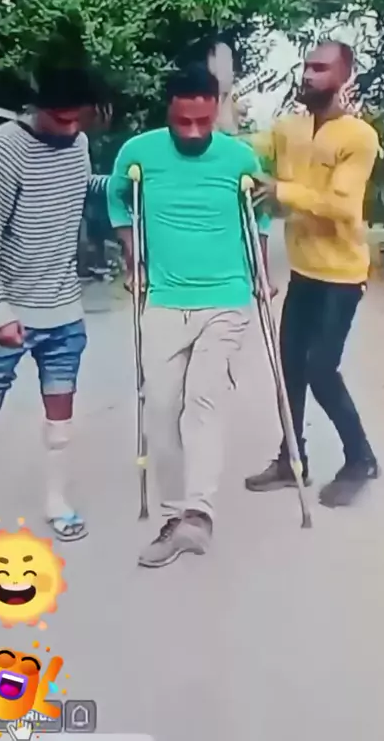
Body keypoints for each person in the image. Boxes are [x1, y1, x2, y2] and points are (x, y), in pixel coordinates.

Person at [107, 64, 271, 568]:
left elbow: (260, 214)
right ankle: (173, 516)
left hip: (226, 298)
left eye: (203, 121)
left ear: (216, 108)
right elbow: (117, 199)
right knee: (160, 406)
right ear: (169, 111)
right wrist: (132, 254)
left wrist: (261, 272)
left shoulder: (240, 157)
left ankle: (199, 513)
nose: (195, 132)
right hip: (163, 297)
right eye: (184, 122)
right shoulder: (138, 153)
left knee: (203, 399)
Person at [0, 64, 110, 558]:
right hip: (4, 309)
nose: (69, 129)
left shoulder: (79, 144)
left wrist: (126, 186)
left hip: (63, 308)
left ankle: (55, 501)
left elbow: (79, 190)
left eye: (77, 120)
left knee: (60, 413)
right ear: (37, 108)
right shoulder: (5, 146)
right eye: (60, 119)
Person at [245, 40, 380, 507]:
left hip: (341, 274)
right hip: (304, 271)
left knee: (321, 368)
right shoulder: (288, 128)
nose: (308, 74)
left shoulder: (358, 137)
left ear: (345, 77)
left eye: (321, 68)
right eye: (306, 66)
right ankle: (291, 459)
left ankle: (360, 458)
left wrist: (282, 190)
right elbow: (247, 153)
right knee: (289, 369)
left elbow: (342, 205)